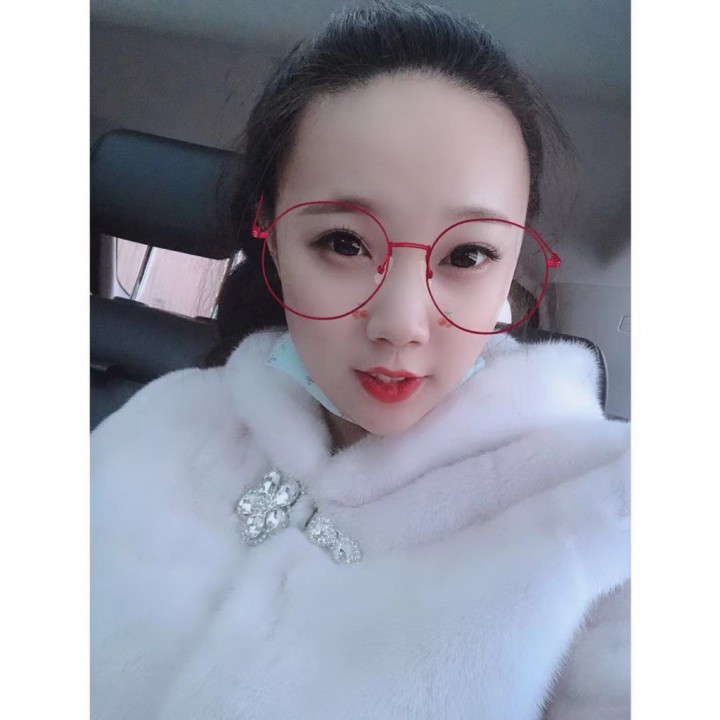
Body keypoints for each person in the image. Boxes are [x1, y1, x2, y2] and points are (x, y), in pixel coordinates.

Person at [91, 2, 630, 718]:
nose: (400, 324)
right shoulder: (158, 427)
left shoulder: (610, 510)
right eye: (344, 243)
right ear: (271, 236)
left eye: (468, 255)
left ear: (511, 265)